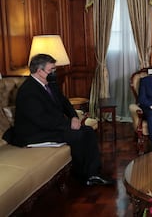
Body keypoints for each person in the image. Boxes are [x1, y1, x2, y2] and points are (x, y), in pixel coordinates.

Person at [10, 54, 114, 186]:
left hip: (49, 126)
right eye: (51, 70)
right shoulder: (28, 91)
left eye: (54, 69)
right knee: (78, 135)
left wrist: (74, 117)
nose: (54, 72)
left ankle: (93, 173)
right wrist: (67, 124)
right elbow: (41, 119)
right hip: (34, 133)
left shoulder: (49, 84)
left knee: (88, 131)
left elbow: (64, 102)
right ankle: (83, 175)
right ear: (39, 71)